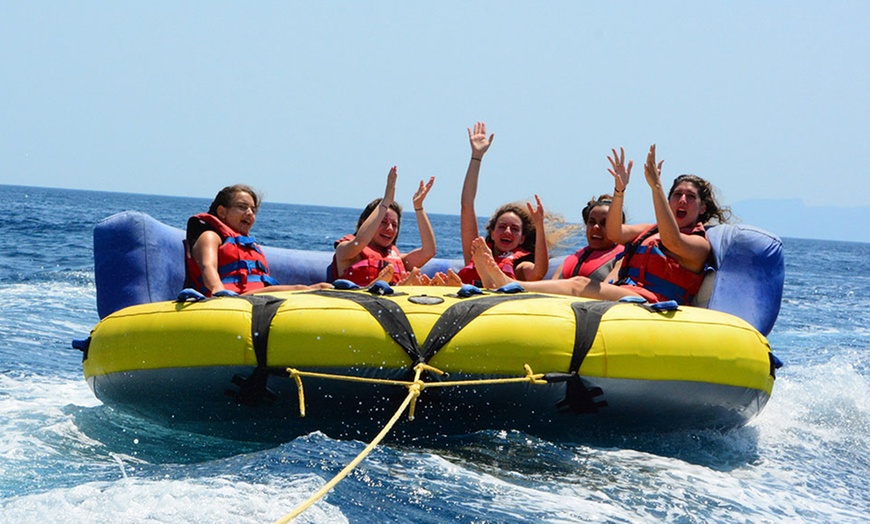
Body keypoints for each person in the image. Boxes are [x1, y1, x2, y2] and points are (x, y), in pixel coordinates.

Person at [469, 145, 731, 305]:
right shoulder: (650, 231)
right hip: (626, 293)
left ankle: (506, 283)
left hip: (654, 302)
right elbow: (615, 233)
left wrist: (657, 187)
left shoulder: (699, 244)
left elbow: (674, 242)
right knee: (577, 289)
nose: (682, 200)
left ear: (702, 208)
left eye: (690, 197)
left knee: (580, 285)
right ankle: (503, 285)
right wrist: (619, 191)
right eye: (677, 195)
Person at [184, 184, 331, 296]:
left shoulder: (247, 244)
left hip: (255, 297)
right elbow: (207, 266)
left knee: (321, 288)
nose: (249, 213)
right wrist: (218, 290)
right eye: (242, 207)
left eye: (253, 210)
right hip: (232, 298)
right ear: (222, 211)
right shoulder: (211, 236)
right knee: (305, 290)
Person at [458, 121, 548, 286]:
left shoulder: (520, 266)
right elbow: (467, 205)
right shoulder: (477, 252)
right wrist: (476, 157)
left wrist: (539, 226)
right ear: (492, 233)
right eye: (502, 226)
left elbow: (538, 273)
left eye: (515, 229)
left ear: (522, 239)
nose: (507, 231)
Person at [333, 166, 437, 286]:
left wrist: (419, 207)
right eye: (383, 222)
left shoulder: (400, 259)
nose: (390, 229)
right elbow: (360, 242)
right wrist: (386, 201)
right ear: (364, 223)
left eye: (394, 225)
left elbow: (429, 251)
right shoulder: (346, 251)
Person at [551, 194, 625, 282]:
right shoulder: (572, 259)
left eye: (604, 223)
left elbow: (609, 289)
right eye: (592, 222)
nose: (596, 227)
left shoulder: (622, 258)